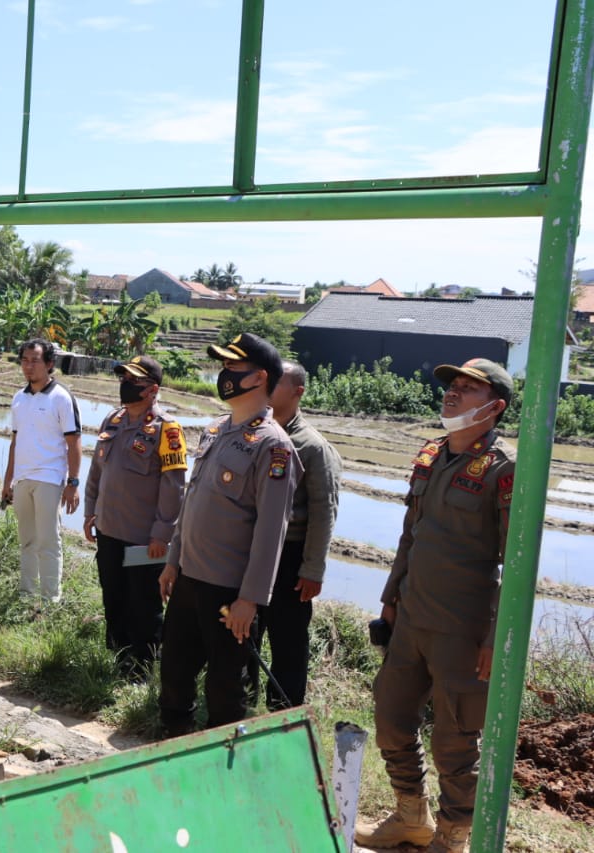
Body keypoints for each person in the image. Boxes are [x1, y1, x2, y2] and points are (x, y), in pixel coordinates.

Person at [355, 359, 515, 853]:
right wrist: (389, 601)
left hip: (462, 629)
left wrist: (495, 638)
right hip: (411, 617)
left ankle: (452, 837)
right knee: (390, 716)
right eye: (453, 386)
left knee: (456, 742)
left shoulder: (504, 470)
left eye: (469, 389)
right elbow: (410, 536)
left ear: (494, 407)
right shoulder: (431, 454)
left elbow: (517, 561)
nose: (454, 394)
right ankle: (410, 817)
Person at [158, 333, 302, 737]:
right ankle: (171, 747)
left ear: (259, 378)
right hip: (188, 577)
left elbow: (272, 532)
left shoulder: (275, 447)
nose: (224, 375)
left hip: (228, 592)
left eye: (232, 368)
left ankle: (221, 771)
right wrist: (173, 560)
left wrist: (250, 600)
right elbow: (192, 503)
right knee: (174, 674)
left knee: (224, 687)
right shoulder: (217, 429)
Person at [245, 360, 342, 709]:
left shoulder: (312, 446)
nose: (268, 389)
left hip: (290, 556)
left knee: (287, 640)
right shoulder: (256, 432)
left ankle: (284, 710)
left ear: (298, 391)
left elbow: (323, 510)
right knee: (245, 631)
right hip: (254, 551)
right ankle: (242, 702)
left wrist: (313, 569)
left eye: (277, 383)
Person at [83, 355, 187, 677]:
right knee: (113, 597)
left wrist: (161, 534)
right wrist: (90, 512)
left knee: (144, 606)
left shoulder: (167, 430)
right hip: (109, 530)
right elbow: (97, 471)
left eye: (133, 381)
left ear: (151, 389)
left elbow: (174, 488)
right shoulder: (112, 421)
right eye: (123, 378)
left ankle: (142, 669)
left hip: (144, 539)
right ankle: (118, 658)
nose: (124, 385)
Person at [3, 338, 81, 603]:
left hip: (49, 477)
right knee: (27, 540)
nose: (28, 366)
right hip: (23, 478)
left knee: (48, 540)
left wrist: (73, 482)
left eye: (35, 360)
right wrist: (7, 481)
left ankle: (50, 600)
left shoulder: (61, 397)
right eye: (24, 360)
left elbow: (74, 443)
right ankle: (26, 595)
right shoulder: (18, 398)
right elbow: (16, 442)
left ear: (49, 364)